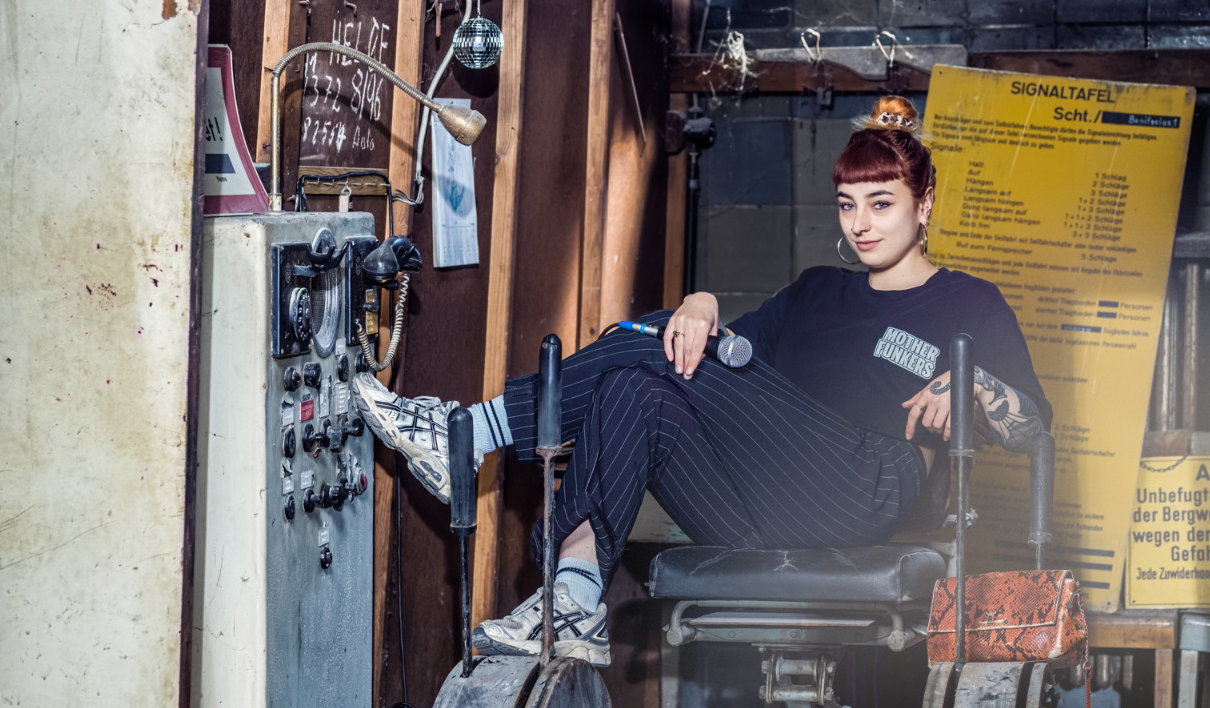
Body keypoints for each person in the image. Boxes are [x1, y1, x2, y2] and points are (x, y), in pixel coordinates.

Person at [356, 99, 1050, 668]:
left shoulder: (968, 302)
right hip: (764, 499)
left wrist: (974, 383)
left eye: (881, 203)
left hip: (868, 485)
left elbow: (1034, 428)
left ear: (924, 203)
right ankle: (574, 600)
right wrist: (701, 304)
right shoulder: (816, 291)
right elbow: (717, 359)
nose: (861, 224)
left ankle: (467, 433)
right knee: (639, 384)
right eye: (847, 205)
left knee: (659, 340)